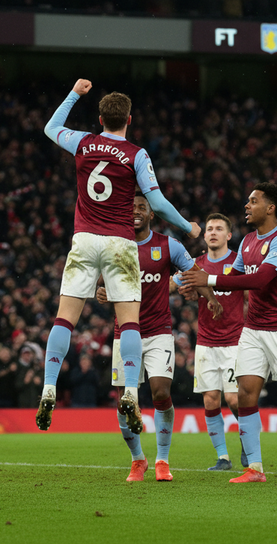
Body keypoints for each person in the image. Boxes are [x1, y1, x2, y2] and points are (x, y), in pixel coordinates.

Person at [37, 79, 201, 434]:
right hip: (120, 243)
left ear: (100, 119)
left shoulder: (83, 142)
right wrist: (187, 227)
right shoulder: (136, 155)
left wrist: (74, 94)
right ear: (129, 119)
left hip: (84, 239)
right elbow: (157, 204)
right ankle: (130, 391)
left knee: (65, 318)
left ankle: (49, 385)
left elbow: (51, 128)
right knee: (129, 322)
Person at [182, 182, 277, 483]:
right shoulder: (248, 241)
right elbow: (235, 276)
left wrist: (208, 279)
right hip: (252, 328)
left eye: (253, 201)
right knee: (245, 394)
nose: (247, 205)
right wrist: (202, 289)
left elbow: (261, 279)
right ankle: (255, 468)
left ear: (271, 208)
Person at [97, 192, 220, 482]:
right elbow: (94, 282)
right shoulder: (113, 246)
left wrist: (211, 298)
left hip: (158, 333)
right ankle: (137, 460)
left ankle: (162, 459)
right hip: (124, 333)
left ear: (152, 214)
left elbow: (194, 272)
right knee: (125, 401)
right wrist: (98, 292)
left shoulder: (168, 245)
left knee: (161, 393)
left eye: (142, 207)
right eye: (131, 207)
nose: (136, 211)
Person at [185, 212, 248, 471]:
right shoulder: (195, 264)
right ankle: (223, 457)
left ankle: (247, 442)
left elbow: (252, 292)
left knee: (234, 399)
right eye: (209, 228)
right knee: (210, 400)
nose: (212, 232)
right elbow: (176, 285)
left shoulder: (238, 262)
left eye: (218, 228)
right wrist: (185, 289)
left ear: (228, 235)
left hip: (234, 341)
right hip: (206, 342)